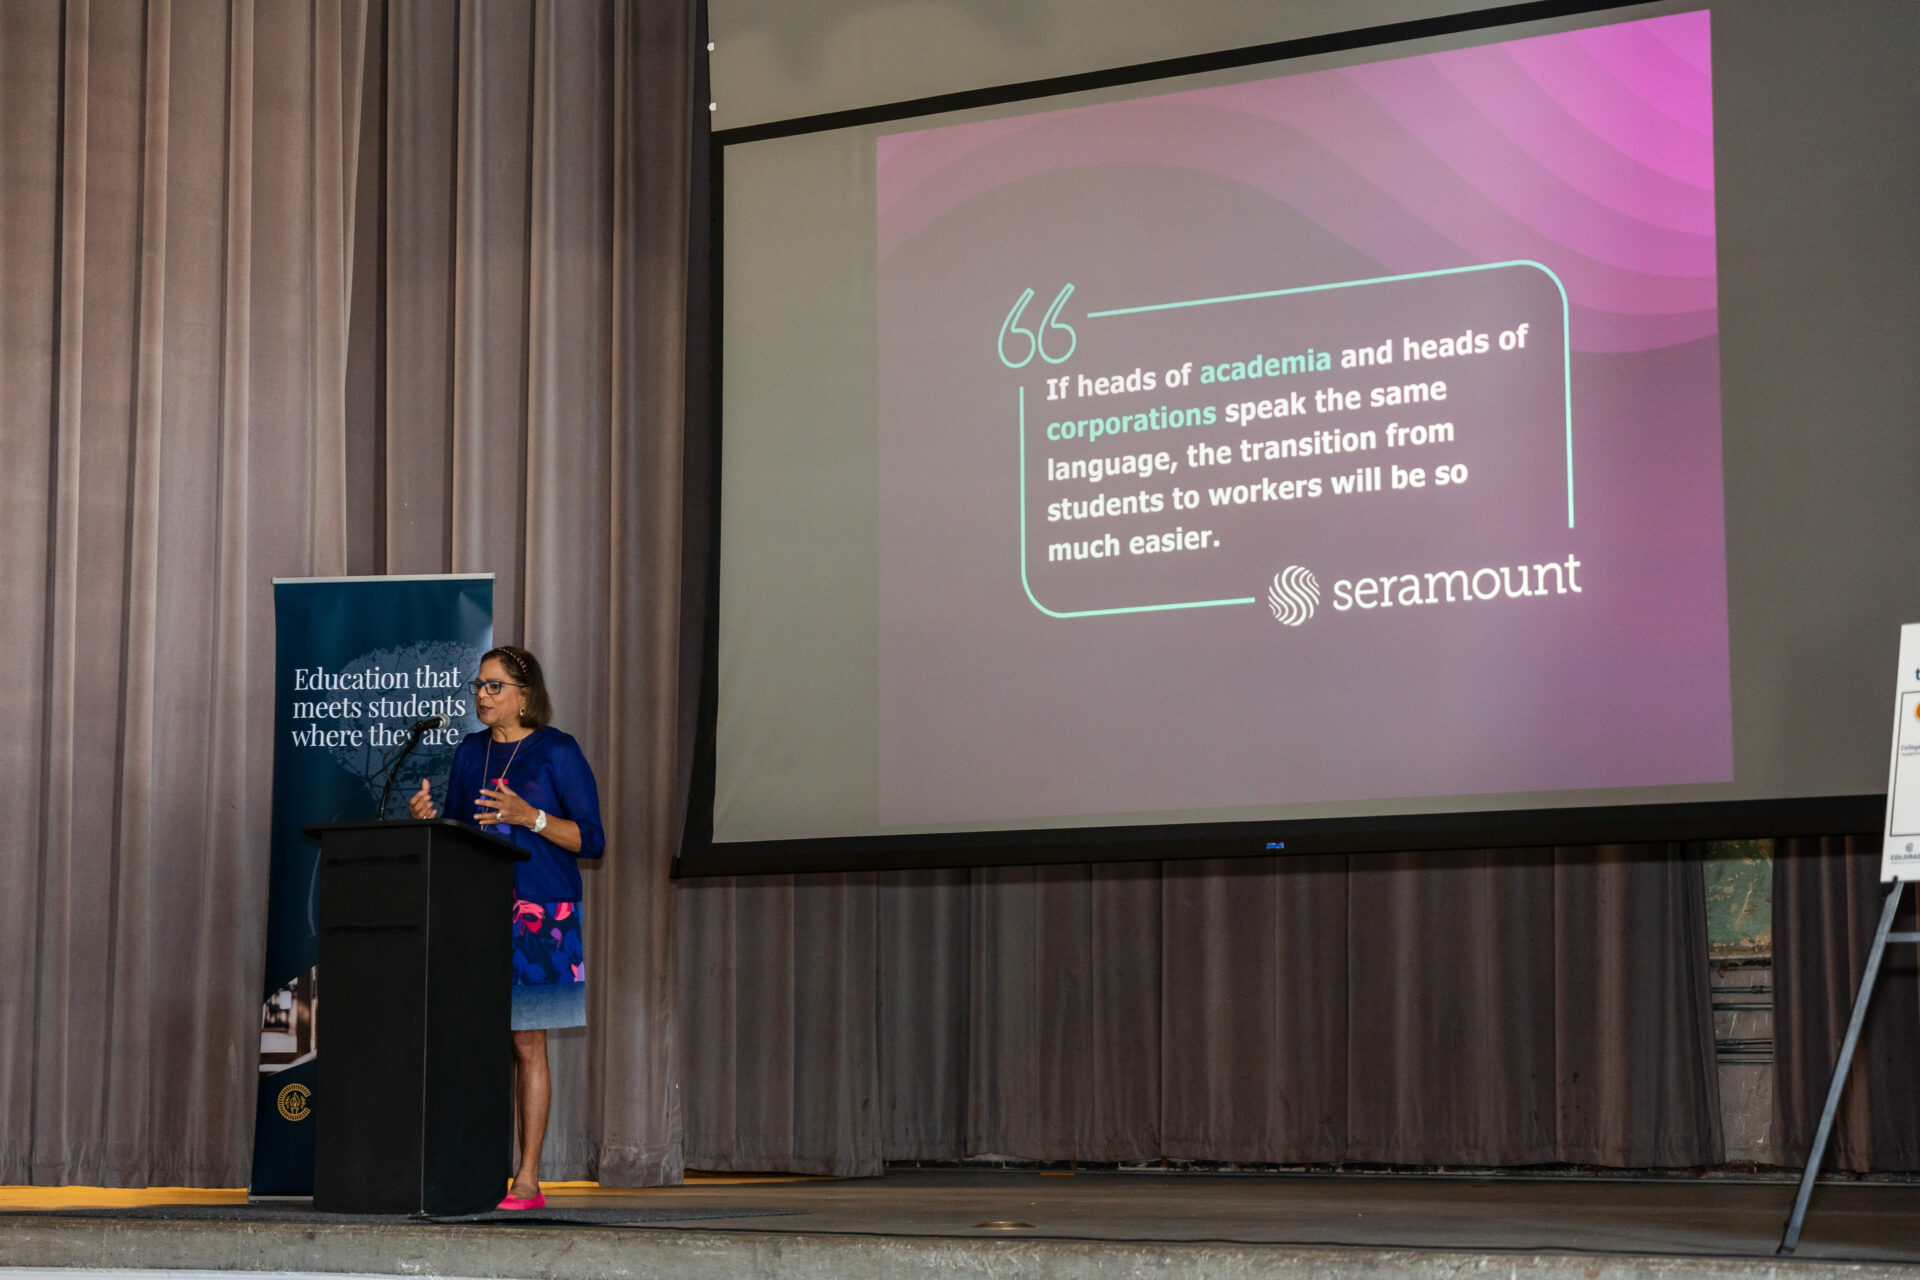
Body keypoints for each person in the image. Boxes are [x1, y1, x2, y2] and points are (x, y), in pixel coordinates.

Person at [409, 644, 604, 1211]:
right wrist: (431, 823)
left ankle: (527, 1179)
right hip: (476, 910)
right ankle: (469, 1169)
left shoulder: (557, 751)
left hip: (542, 914)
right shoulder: (470, 752)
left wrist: (530, 817)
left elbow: (592, 839)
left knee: (527, 1043)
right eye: (478, 686)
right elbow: (458, 828)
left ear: (525, 695)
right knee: (471, 1040)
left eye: (494, 687)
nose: (481, 696)